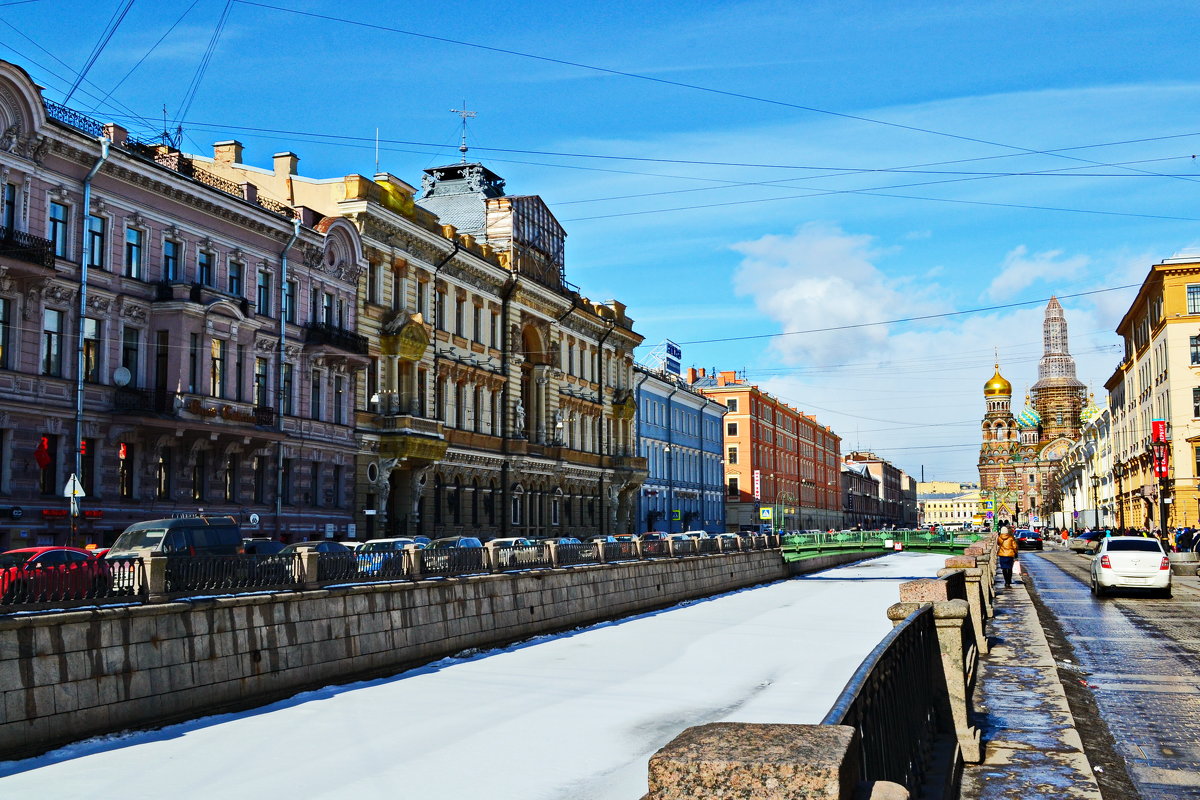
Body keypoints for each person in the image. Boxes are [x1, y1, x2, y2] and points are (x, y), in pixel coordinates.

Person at [997, 524, 1019, 588]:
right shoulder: (1010, 538)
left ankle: (1006, 581)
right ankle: (1008, 582)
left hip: (1002, 555)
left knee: (1004, 568)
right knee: (1009, 568)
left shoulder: (999, 538)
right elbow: (1014, 546)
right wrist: (1016, 552)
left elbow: (998, 544)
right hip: (1010, 555)